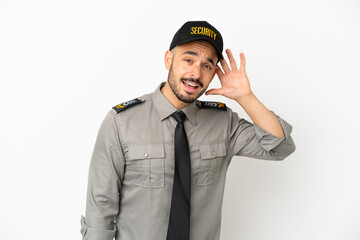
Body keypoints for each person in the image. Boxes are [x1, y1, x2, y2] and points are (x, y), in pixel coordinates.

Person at [80, 21, 296, 240]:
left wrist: (245, 98)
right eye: (188, 60)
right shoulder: (121, 122)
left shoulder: (223, 122)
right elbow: (100, 207)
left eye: (207, 65)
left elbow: (280, 147)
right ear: (168, 60)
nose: (195, 73)